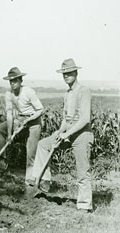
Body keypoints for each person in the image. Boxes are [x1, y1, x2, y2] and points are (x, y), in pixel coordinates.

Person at [32, 58, 94, 212]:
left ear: (76, 72)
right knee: (43, 145)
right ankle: (44, 181)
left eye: (69, 72)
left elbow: (85, 119)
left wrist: (67, 133)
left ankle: (84, 206)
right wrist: (60, 133)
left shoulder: (84, 91)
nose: (66, 75)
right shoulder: (67, 94)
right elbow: (66, 120)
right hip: (68, 133)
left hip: (82, 135)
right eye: (64, 73)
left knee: (82, 171)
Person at [0, 67, 43, 184]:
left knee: (31, 151)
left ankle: (30, 180)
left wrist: (29, 120)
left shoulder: (28, 92)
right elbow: (10, 114)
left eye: (15, 80)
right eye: (10, 81)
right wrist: (10, 134)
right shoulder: (9, 94)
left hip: (34, 121)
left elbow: (40, 110)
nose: (12, 83)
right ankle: (0, 162)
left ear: (21, 81)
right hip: (20, 118)